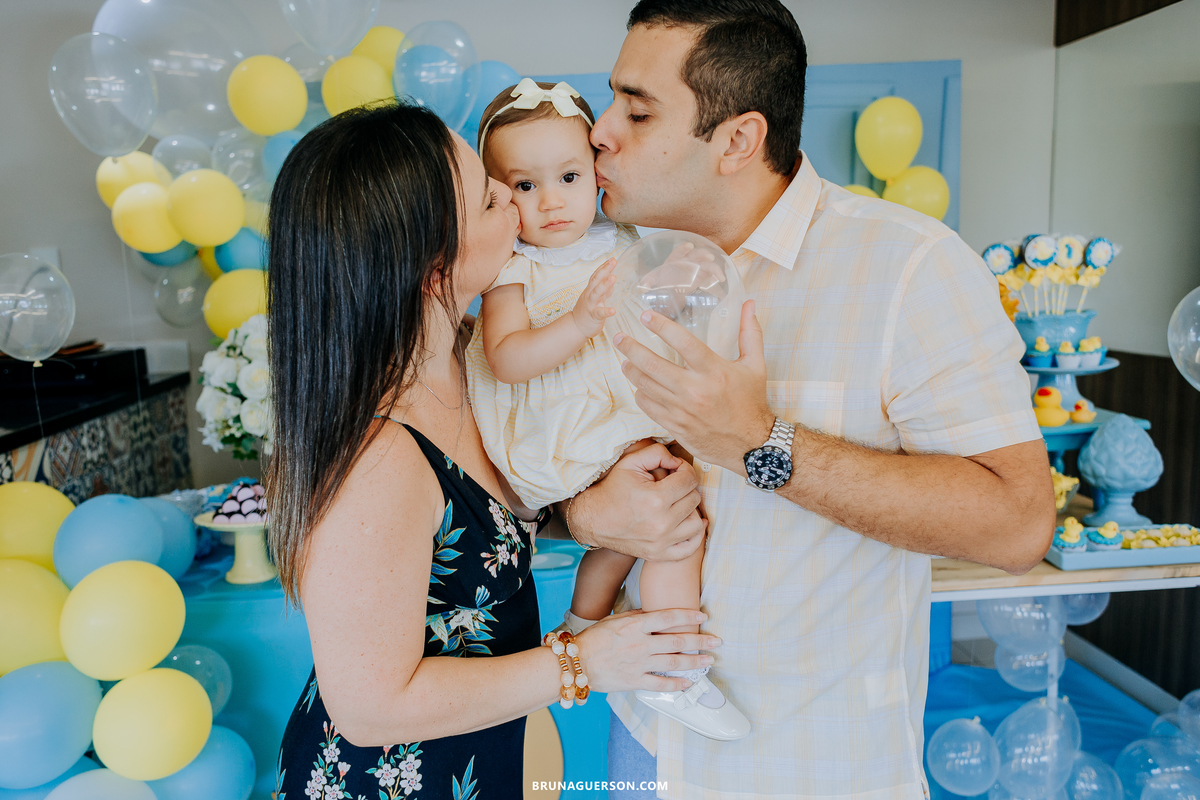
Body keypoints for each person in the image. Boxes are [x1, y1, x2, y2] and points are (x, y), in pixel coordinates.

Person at [557, 1, 1058, 797]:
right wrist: (584, 515)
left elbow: (1018, 522)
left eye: (636, 109)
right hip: (644, 746)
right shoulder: (601, 275)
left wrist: (759, 442)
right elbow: (548, 471)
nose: (600, 132)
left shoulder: (912, 268)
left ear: (738, 139)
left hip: (812, 761)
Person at [264, 102, 719, 800]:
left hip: (486, 754)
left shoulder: (475, 354)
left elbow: (501, 515)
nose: (514, 197)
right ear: (431, 267)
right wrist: (581, 661)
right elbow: (368, 707)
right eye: (488, 196)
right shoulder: (378, 458)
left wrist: (598, 499)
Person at [464, 78, 749, 740]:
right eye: (525, 187)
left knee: (635, 530)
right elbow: (506, 356)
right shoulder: (515, 268)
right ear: (500, 194)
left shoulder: (623, 236)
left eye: (568, 175)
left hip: (630, 400)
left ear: (596, 170)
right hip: (569, 420)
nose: (552, 201)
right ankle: (676, 665)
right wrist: (579, 322)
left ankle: (581, 627)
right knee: (675, 517)